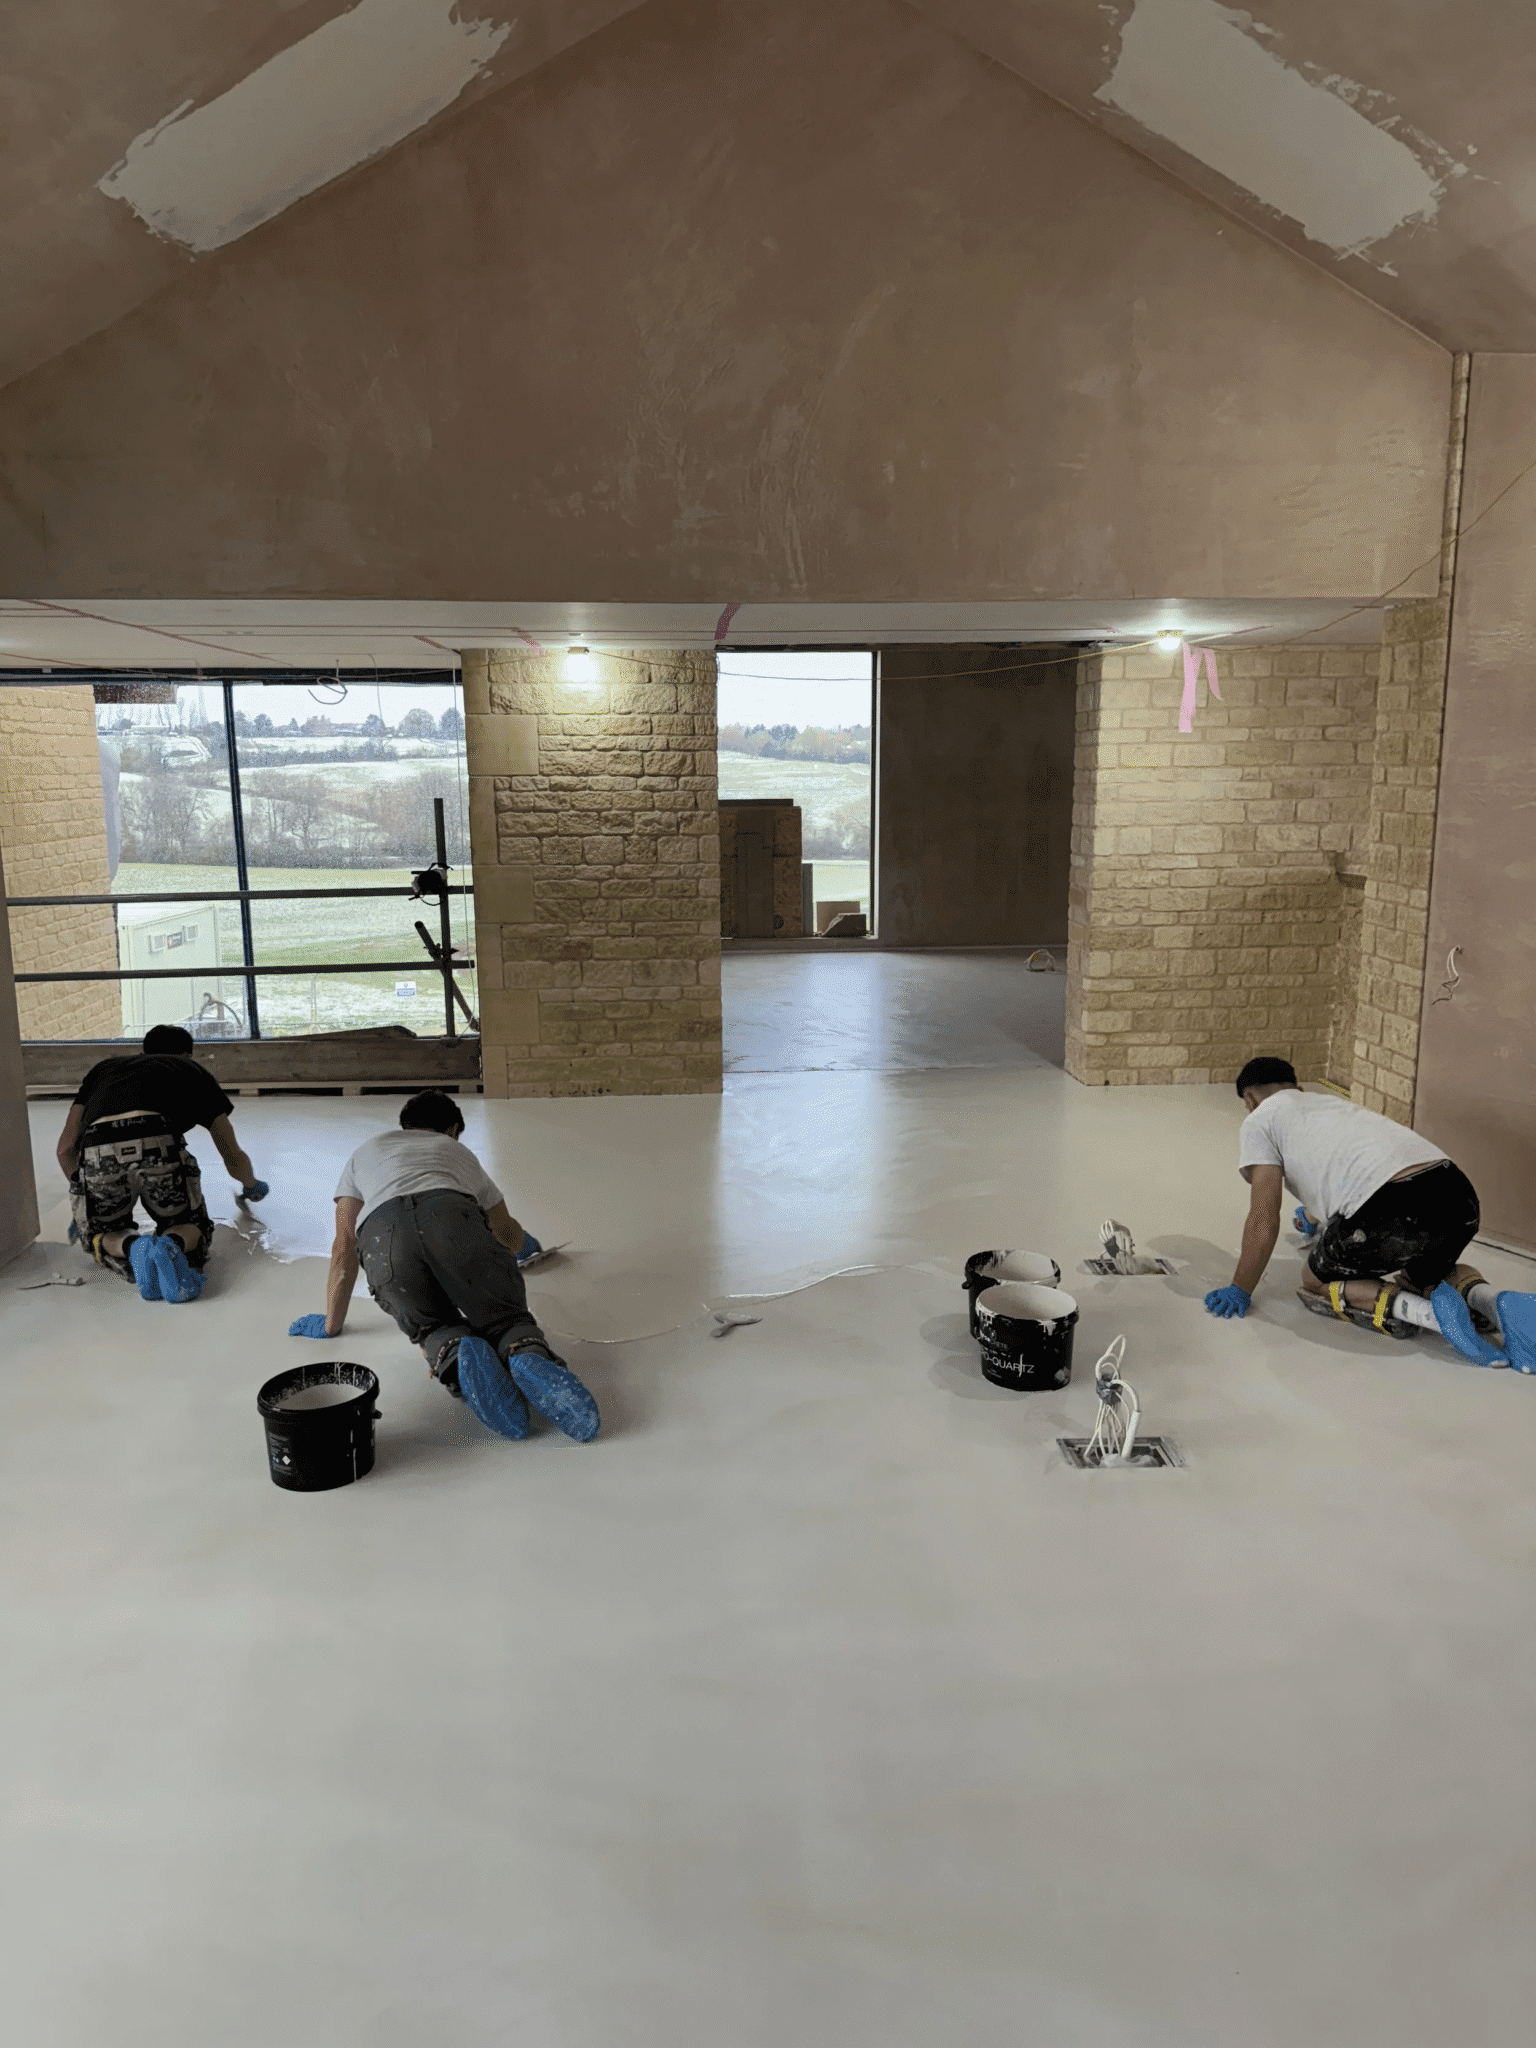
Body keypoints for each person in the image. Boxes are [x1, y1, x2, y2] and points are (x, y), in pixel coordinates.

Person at [293, 1090, 598, 1443]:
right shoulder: (456, 1152)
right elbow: (505, 1233)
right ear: (452, 1130)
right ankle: (524, 1351)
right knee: (505, 1318)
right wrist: (524, 1245)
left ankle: (453, 1350)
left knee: (433, 1325)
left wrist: (331, 1324)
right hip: (454, 1223)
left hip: (384, 1242)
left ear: (405, 1126)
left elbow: (344, 1248)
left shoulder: (365, 1153)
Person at [1203, 1055, 1488, 1339]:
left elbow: (1263, 1216)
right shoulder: (1328, 1103)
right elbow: (1354, 1167)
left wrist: (1240, 1287)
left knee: (1315, 1279)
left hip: (1393, 1209)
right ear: (1297, 1088)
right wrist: (1313, 1214)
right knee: (1423, 1277)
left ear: (1251, 1100)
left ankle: (1426, 1315)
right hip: (1458, 1197)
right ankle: (1486, 1300)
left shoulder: (1259, 1121)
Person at [58, 1023, 268, 1303]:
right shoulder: (190, 1070)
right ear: (187, 1054)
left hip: (98, 1148)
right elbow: (231, 1153)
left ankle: (132, 1246)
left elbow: (65, 1149)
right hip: (159, 1143)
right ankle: (172, 1243)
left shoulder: (104, 1069)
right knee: (190, 1225)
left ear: (144, 1050)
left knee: (102, 1233)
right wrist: (251, 1184)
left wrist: (82, 1196)